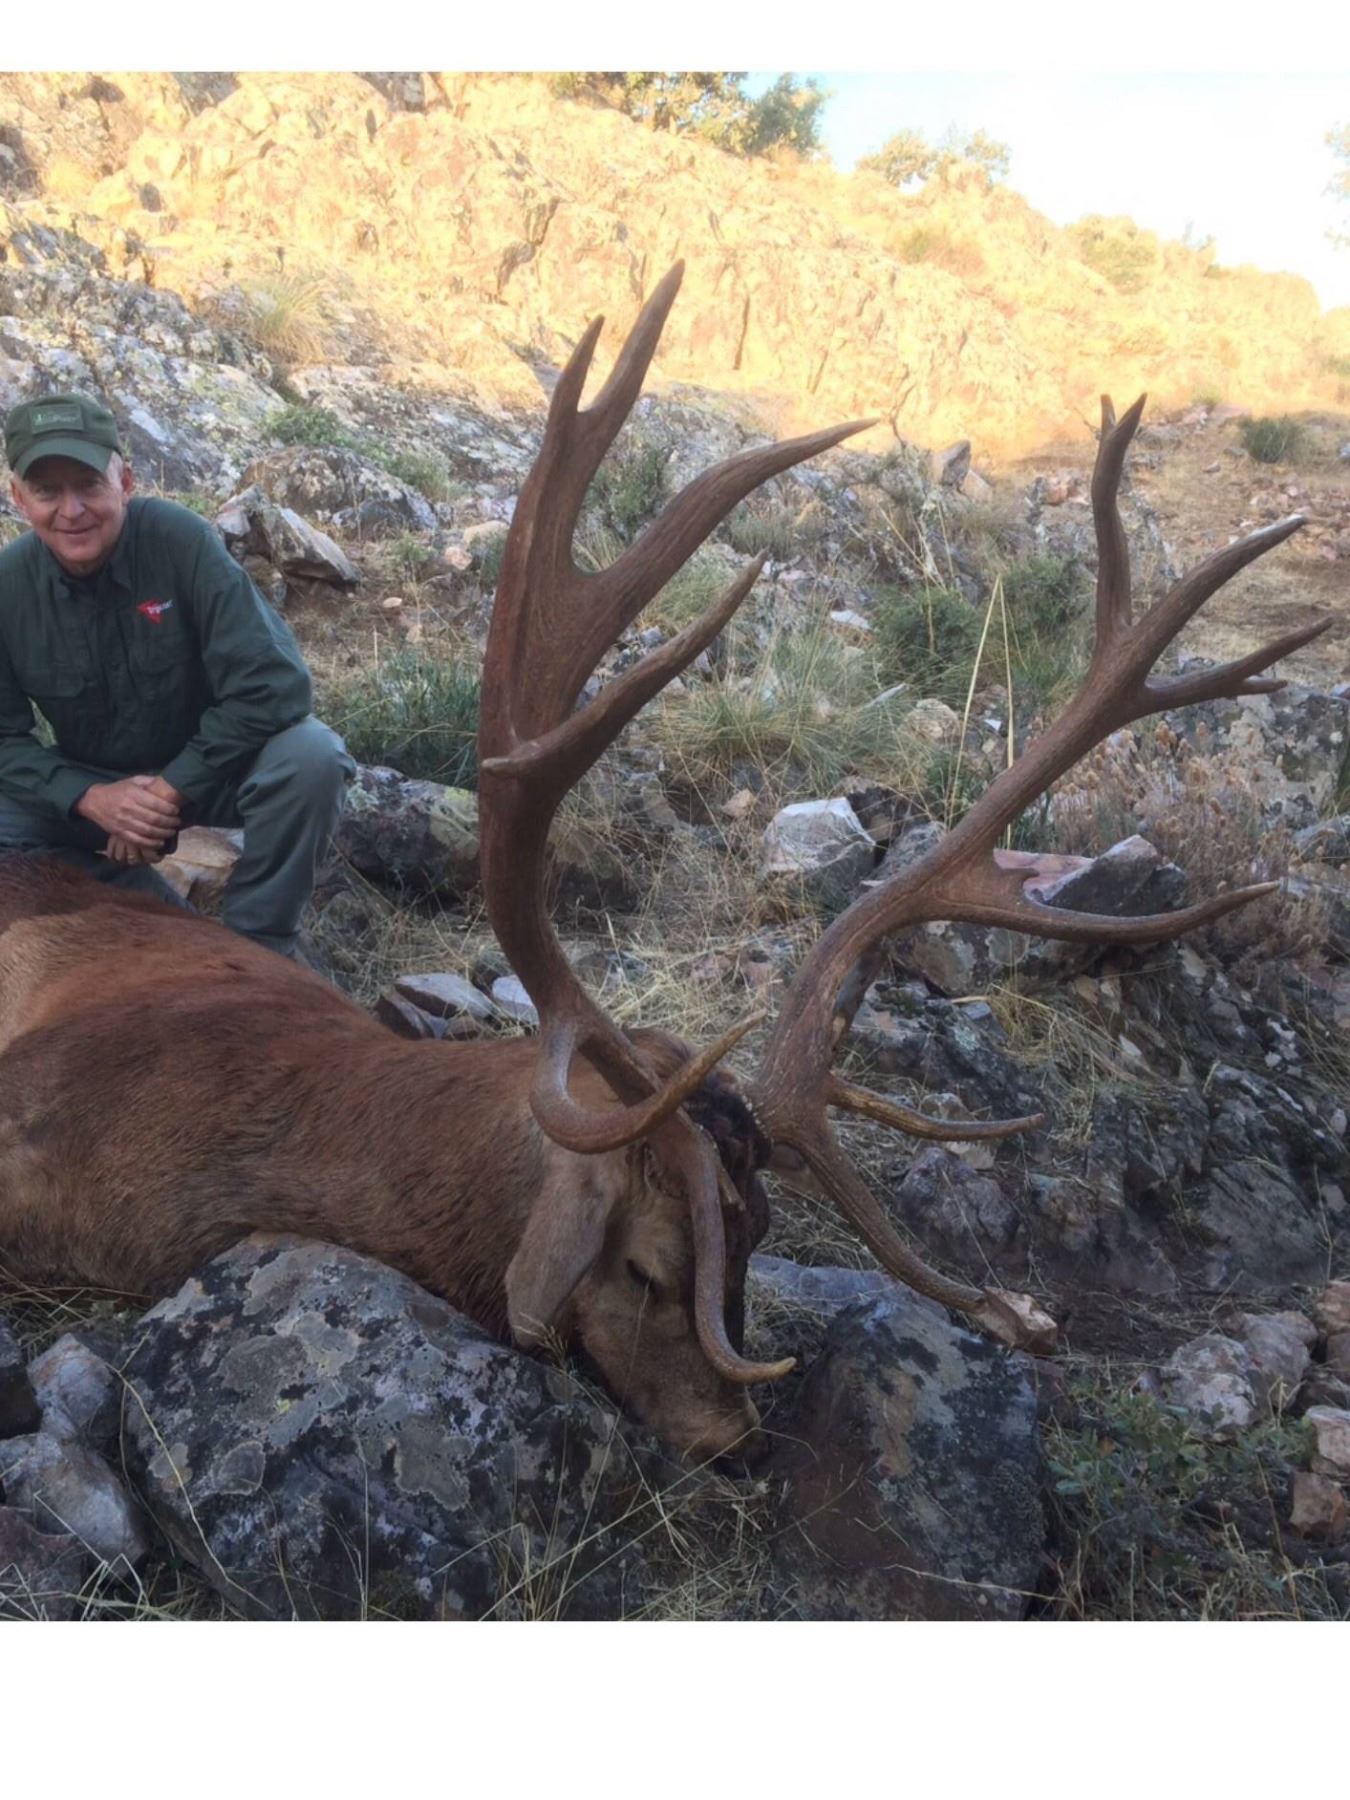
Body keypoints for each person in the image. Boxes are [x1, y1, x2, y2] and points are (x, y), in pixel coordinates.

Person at [0, 392, 354, 957]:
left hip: (212, 772)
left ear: (125, 482)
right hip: (95, 785)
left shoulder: (182, 541)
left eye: (89, 485)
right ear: (19, 498)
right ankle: (170, 928)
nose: (72, 511)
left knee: (312, 757)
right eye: (47, 492)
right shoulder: (8, 585)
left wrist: (168, 792)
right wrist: (91, 798)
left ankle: (260, 950)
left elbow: (275, 684)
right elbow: (4, 739)